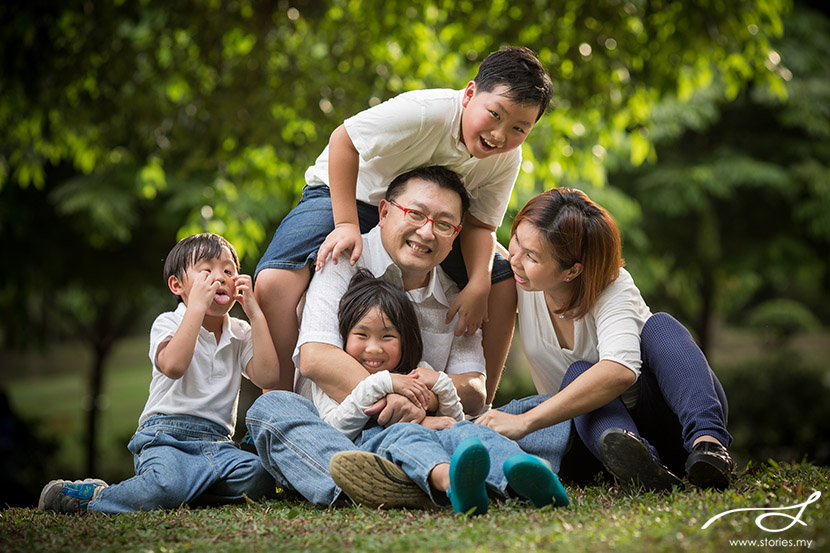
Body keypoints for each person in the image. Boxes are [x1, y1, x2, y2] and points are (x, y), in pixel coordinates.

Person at [245, 166, 571, 511]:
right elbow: (315, 359)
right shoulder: (343, 259)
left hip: (430, 427)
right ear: (384, 212)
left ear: (456, 234)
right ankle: (375, 479)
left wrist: (424, 403)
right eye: (415, 214)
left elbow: (475, 391)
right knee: (271, 409)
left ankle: (447, 477)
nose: (426, 232)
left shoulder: (458, 294)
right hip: (335, 428)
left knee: (543, 409)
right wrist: (399, 399)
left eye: (443, 224)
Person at [254, 46, 554, 405]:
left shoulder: (506, 158)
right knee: (274, 283)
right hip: (351, 194)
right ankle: (280, 407)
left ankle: (480, 412)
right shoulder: (426, 112)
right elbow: (343, 141)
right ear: (470, 93)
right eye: (494, 114)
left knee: (500, 284)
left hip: (426, 219)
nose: (500, 135)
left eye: (519, 128)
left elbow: (479, 226)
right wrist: (346, 223)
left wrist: (477, 284)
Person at [476, 188, 735, 491]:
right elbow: (474, 238)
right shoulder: (519, 279)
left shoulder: (614, 287)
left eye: (531, 256)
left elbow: (619, 370)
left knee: (660, 327)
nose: (516, 258)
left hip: (668, 424)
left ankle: (709, 445)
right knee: (578, 375)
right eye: (517, 239)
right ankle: (641, 469)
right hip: (596, 440)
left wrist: (524, 422)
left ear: (572, 270)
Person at [39, 233, 280, 514]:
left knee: (260, 477)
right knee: (167, 484)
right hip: (166, 438)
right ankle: (91, 498)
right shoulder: (169, 322)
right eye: (207, 271)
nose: (221, 277)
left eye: (228, 270)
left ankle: (185, 491)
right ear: (177, 285)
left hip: (218, 443)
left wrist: (255, 313)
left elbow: (269, 376)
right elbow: (174, 366)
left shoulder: (240, 332)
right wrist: (198, 307)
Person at [314, 268, 464, 440]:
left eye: (387, 337)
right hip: (379, 454)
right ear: (344, 336)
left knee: (478, 432)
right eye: (362, 335)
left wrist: (442, 384)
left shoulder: (418, 373)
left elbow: (456, 425)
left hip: (439, 450)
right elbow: (334, 430)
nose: (374, 349)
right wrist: (383, 383)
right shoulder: (330, 378)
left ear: (404, 341)